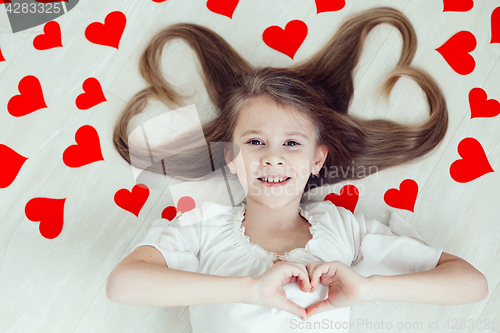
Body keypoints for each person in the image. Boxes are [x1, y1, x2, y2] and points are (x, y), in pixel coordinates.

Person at [106, 6, 488, 333]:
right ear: (231, 157)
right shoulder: (205, 226)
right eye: (255, 142)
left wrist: (370, 289)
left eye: (291, 143)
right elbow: (123, 285)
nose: (273, 158)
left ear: (317, 160)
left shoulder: (344, 228)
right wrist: (250, 290)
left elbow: (472, 285)